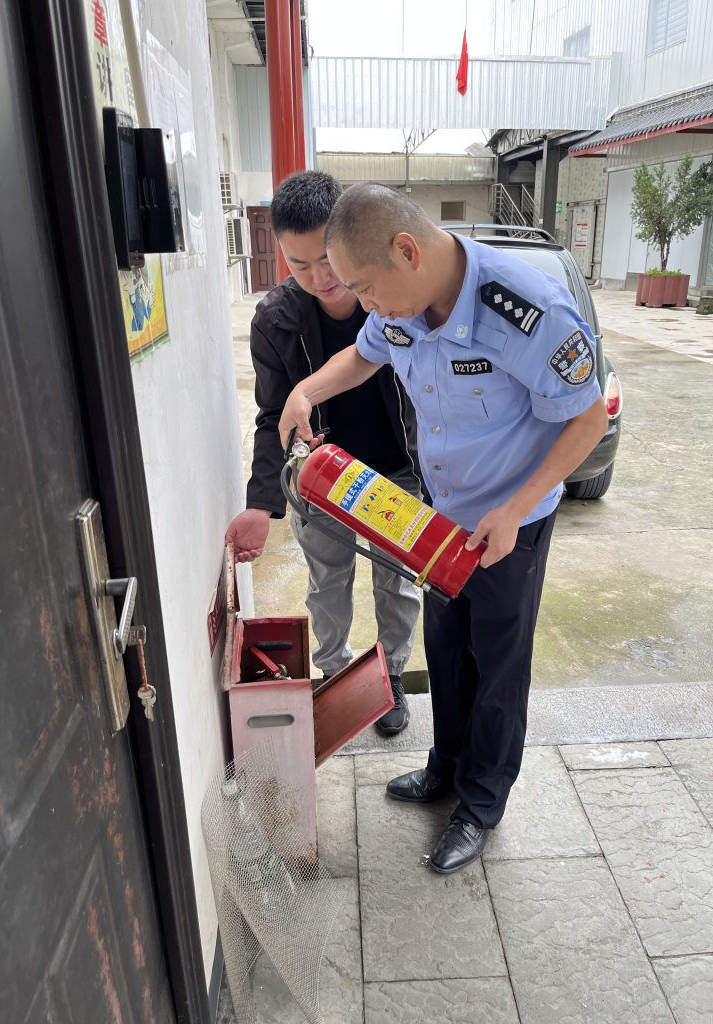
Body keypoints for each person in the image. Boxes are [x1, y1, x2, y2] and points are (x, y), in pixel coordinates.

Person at [278, 183, 608, 873]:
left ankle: (481, 802)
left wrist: (516, 508)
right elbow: (365, 354)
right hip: (439, 516)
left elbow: (587, 416)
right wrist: (306, 391)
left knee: (498, 665)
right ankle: (445, 767)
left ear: (407, 250)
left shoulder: (524, 308)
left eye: (366, 288)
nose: (365, 306)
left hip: (509, 524)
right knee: (448, 647)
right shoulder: (398, 303)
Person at [225, 172, 421, 735]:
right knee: (327, 584)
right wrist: (261, 503)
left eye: (327, 259)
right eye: (299, 264)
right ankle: (335, 674)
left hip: (399, 470)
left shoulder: (393, 299)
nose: (319, 278)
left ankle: (390, 677)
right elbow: (272, 414)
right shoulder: (276, 319)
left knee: (397, 582)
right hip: (320, 476)